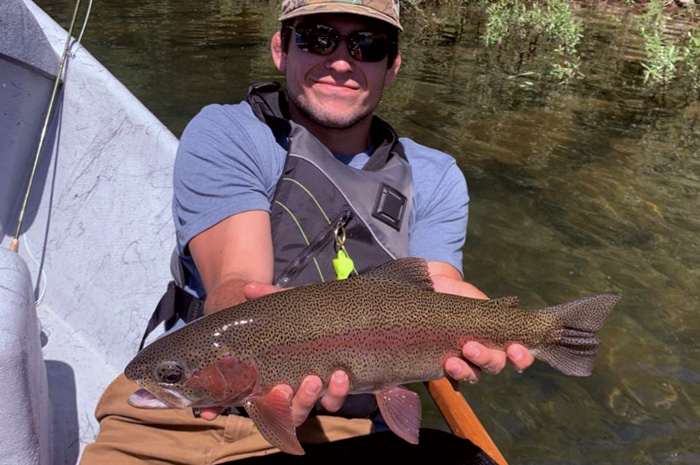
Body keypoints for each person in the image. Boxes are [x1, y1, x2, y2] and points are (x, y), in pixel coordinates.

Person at [80, 1, 534, 464]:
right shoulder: (230, 133)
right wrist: (245, 359)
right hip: (179, 425)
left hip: (346, 427)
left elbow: (435, 288)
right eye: (317, 37)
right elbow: (236, 280)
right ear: (281, 47)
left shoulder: (436, 177)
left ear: (392, 65)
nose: (340, 61)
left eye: (367, 44)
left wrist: (483, 324)